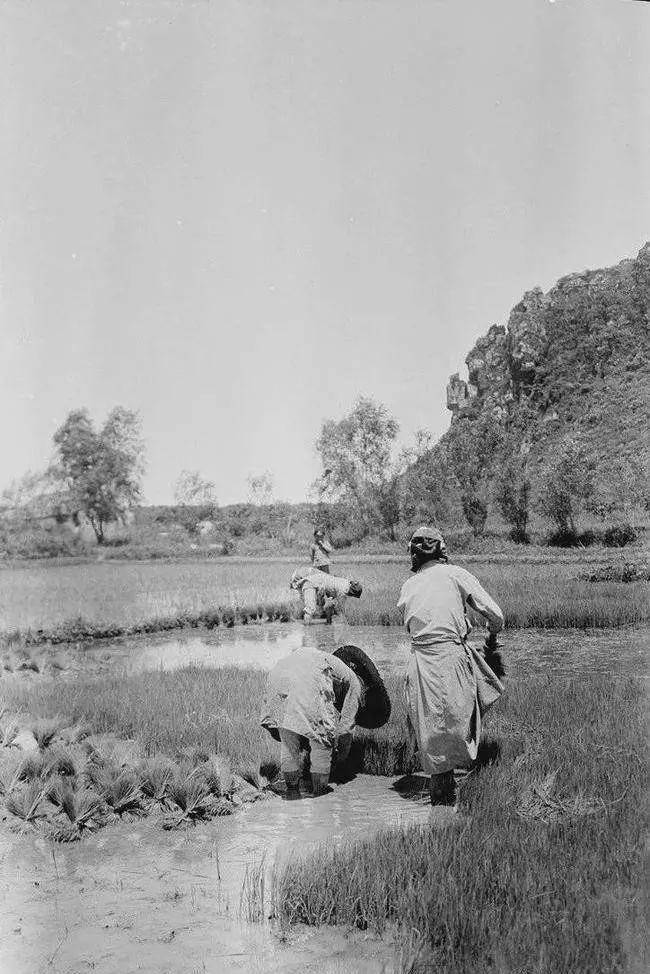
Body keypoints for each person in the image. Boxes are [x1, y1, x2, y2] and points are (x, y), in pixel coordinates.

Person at [397, 525, 505, 808]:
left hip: (419, 663)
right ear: (442, 550)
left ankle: (441, 801)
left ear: (414, 554)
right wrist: (493, 632)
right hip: (449, 656)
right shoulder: (455, 574)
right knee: (457, 723)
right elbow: (496, 615)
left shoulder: (409, 585)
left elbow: (413, 621)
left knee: (431, 733)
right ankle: (448, 806)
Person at [261, 644, 391, 796]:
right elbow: (345, 730)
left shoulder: (330, 664)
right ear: (364, 688)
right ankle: (319, 793)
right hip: (306, 679)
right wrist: (339, 759)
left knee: (289, 733)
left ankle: (291, 789)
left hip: (277, 675)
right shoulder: (354, 683)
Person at [289, 567, 362, 623]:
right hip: (311, 583)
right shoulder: (344, 590)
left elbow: (330, 605)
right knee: (310, 609)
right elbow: (340, 609)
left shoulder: (345, 583)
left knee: (325, 606)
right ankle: (307, 632)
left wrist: (329, 622)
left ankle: (325, 622)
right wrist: (345, 622)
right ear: (352, 593)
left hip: (316, 584)